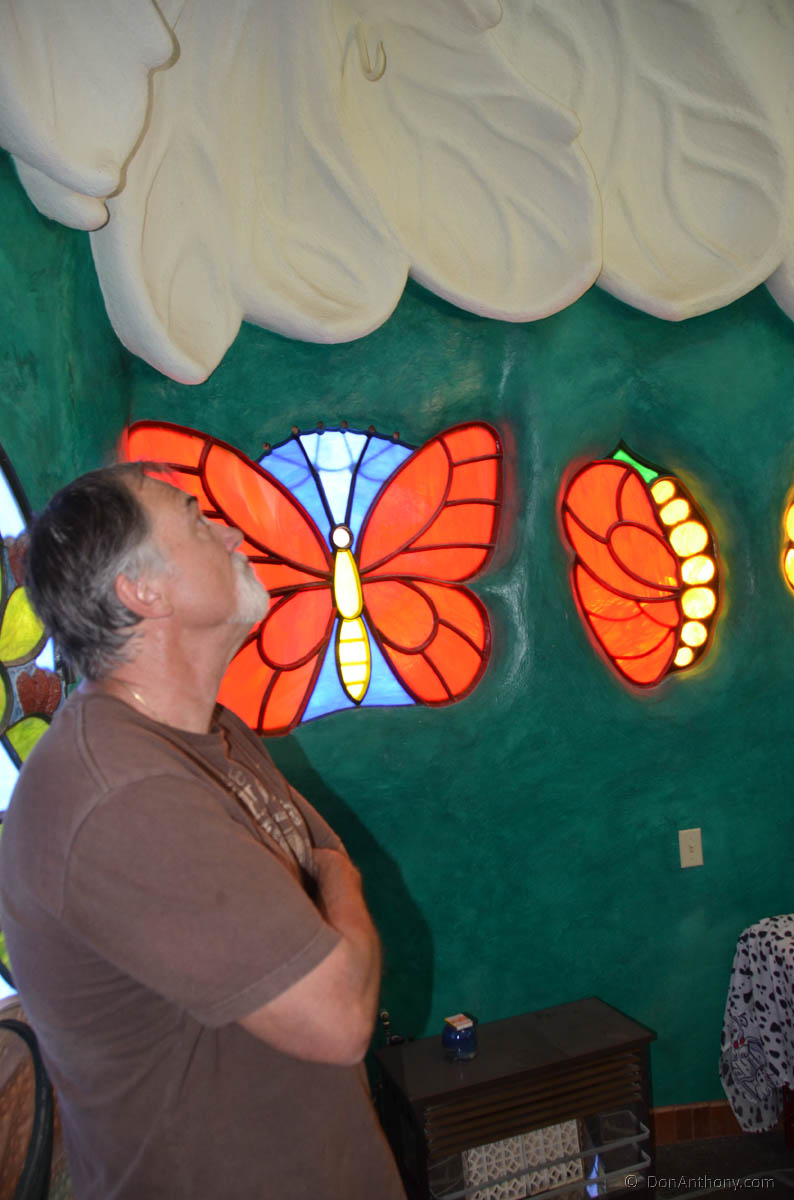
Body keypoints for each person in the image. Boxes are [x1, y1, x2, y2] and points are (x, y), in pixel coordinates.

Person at [0, 462, 406, 1200]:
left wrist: (332, 878)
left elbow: (320, 860)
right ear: (140, 590)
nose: (230, 533)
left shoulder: (211, 733)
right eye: (195, 518)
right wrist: (342, 880)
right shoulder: (120, 795)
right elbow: (340, 1013)